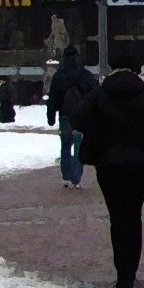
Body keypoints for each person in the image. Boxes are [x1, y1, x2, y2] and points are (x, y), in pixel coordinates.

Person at [73, 64, 144, 288]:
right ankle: (130, 272)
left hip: (108, 165)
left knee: (117, 217)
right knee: (133, 216)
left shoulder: (99, 96)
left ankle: (121, 273)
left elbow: (77, 120)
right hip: (141, 166)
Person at [45, 47, 99, 188]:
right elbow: (95, 94)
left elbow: (53, 98)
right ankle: (76, 178)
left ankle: (66, 176)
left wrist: (51, 116)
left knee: (65, 146)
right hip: (81, 117)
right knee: (79, 147)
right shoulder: (85, 75)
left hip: (65, 116)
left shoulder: (59, 76)